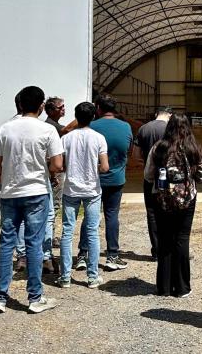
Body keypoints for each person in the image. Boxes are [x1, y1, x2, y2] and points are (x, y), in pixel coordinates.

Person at [0, 86, 64, 314]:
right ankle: (34, 297)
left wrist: (3, 180)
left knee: (6, 243)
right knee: (34, 242)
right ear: (41, 106)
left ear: (20, 105)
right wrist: (48, 173)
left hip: (10, 193)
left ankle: (0, 298)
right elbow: (58, 164)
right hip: (37, 191)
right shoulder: (47, 130)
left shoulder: (5, 129)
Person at [144, 114, 202, 298]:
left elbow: (148, 174)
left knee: (164, 240)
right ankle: (182, 287)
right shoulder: (194, 148)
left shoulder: (159, 147)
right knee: (182, 239)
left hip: (162, 199)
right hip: (187, 199)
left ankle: (164, 287)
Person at [57, 101, 109, 289]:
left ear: (75, 117)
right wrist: (92, 168)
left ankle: (65, 277)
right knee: (92, 232)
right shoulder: (99, 138)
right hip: (92, 189)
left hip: (71, 188)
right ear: (93, 117)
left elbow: (60, 165)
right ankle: (93, 277)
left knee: (67, 231)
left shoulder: (66, 139)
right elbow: (105, 167)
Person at [78, 94, 132, 272]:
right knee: (112, 216)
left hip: (93, 180)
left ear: (98, 108)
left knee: (89, 216)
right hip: (116, 179)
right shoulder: (125, 127)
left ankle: (83, 255)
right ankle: (112, 255)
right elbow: (129, 151)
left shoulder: (91, 126)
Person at [134, 107, 172, 259]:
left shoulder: (144, 128)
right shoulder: (171, 128)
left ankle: (156, 250)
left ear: (157, 114)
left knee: (152, 212)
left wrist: (148, 161)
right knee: (170, 211)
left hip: (149, 176)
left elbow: (135, 155)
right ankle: (169, 248)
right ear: (169, 115)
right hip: (170, 177)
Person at [45, 97, 67, 250]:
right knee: (54, 204)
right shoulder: (53, 127)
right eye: (60, 107)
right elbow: (68, 130)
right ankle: (49, 237)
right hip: (54, 172)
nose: (63, 109)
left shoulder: (54, 125)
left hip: (54, 171)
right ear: (51, 110)